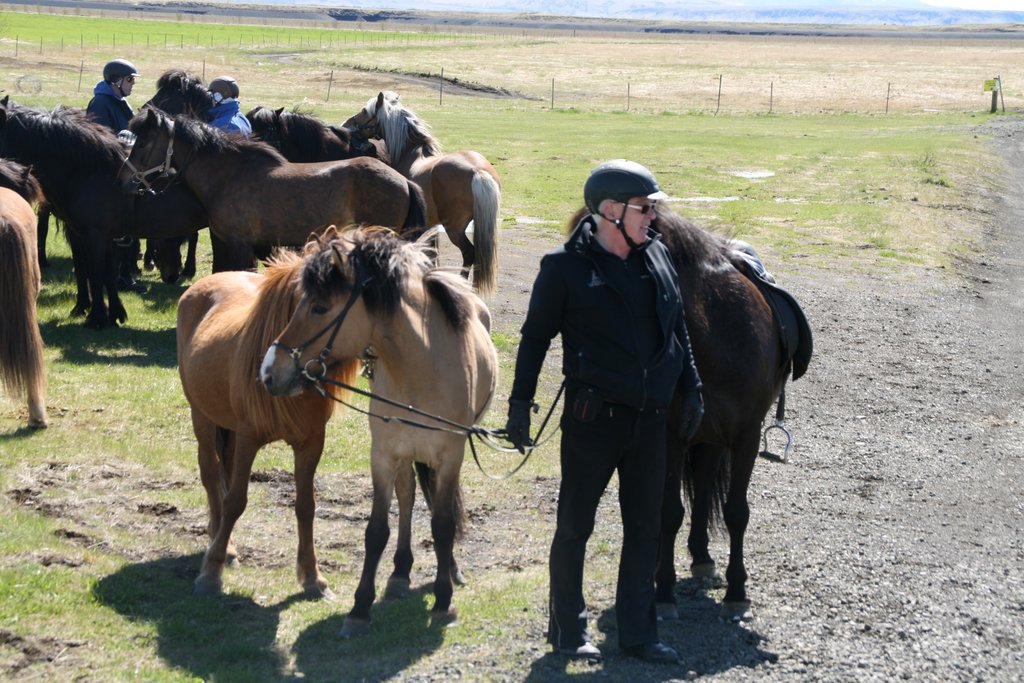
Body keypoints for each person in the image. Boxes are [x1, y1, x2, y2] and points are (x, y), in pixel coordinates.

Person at [503, 159, 704, 664]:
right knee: (575, 526)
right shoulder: (564, 269)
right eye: (644, 208)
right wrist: (519, 406)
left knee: (646, 527)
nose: (653, 217)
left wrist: (692, 387)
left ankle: (638, 634)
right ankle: (568, 630)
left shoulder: (656, 255)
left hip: (651, 420)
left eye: (653, 208)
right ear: (611, 210)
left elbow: (676, 327)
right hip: (594, 422)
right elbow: (534, 339)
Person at [87, 59, 145, 293]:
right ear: (116, 80)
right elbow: (101, 139)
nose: (132, 84)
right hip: (109, 174)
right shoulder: (101, 103)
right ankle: (119, 276)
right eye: (130, 79)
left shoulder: (120, 102)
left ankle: (127, 270)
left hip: (126, 167)